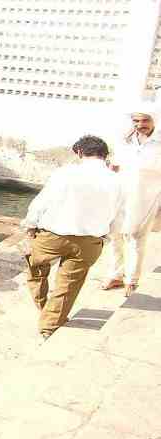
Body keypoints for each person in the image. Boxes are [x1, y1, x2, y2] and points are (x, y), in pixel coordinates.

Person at [22, 135, 122, 339]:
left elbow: (42, 202)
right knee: (68, 284)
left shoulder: (65, 173)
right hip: (90, 241)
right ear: (105, 155)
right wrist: (106, 237)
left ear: (79, 152)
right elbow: (119, 216)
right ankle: (49, 326)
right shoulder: (117, 180)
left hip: (52, 237)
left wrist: (30, 225)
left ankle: (45, 308)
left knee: (35, 268)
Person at [102, 104, 161, 296]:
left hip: (147, 196)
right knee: (115, 234)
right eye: (136, 120)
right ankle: (115, 275)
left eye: (145, 120)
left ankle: (132, 280)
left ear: (153, 121)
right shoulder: (125, 140)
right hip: (121, 194)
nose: (140, 124)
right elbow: (116, 165)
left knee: (136, 237)